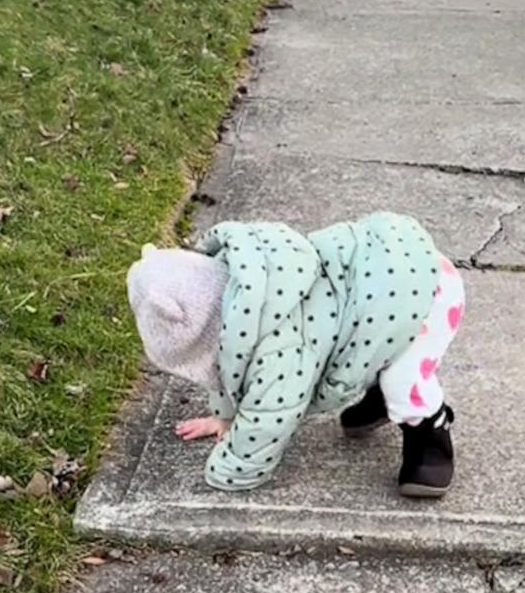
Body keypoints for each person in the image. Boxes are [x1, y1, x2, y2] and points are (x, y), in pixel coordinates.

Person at [126, 212, 465, 497]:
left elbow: (273, 412)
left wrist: (231, 468)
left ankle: (430, 436)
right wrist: (226, 417)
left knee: (405, 379)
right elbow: (229, 364)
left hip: (424, 296)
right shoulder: (248, 286)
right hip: (388, 271)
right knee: (370, 341)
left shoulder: (279, 346)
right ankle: (382, 396)